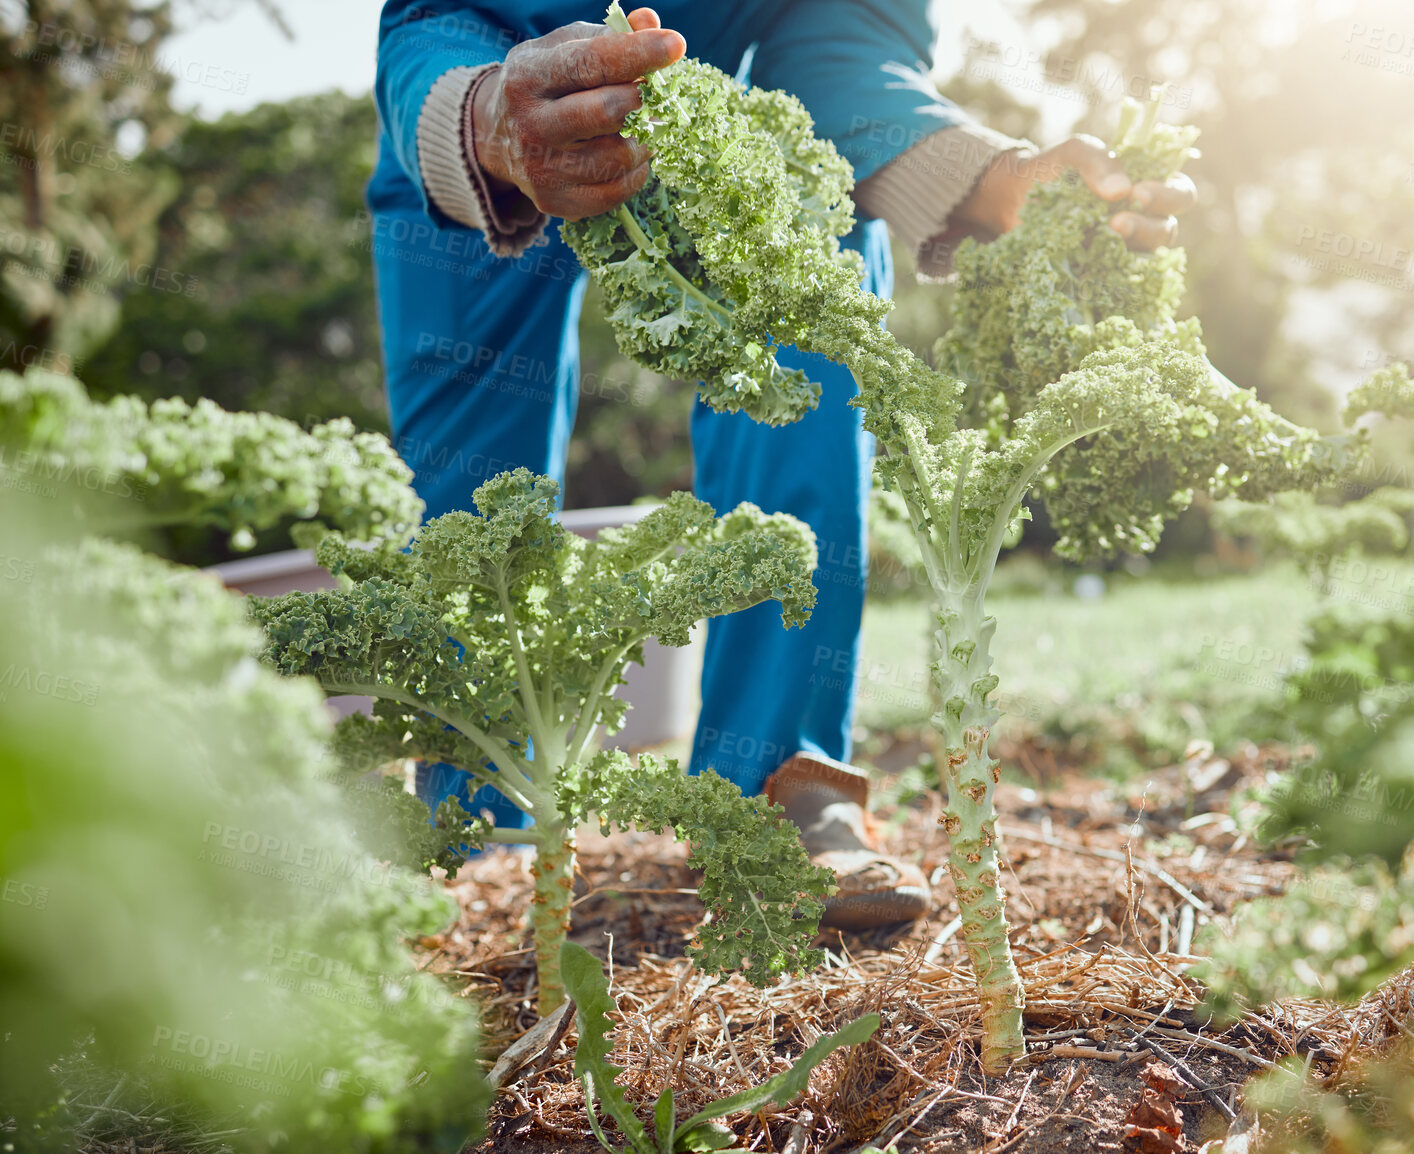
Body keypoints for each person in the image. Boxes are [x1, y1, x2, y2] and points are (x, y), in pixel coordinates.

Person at [367, 0, 1194, 930]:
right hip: (484, 60)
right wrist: (482, 117)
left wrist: (999, 179)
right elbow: (429, 15)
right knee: (468, 480)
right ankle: (470, 812)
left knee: (807, 309)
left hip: (742, 101)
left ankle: (773, 783)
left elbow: (845, 43)